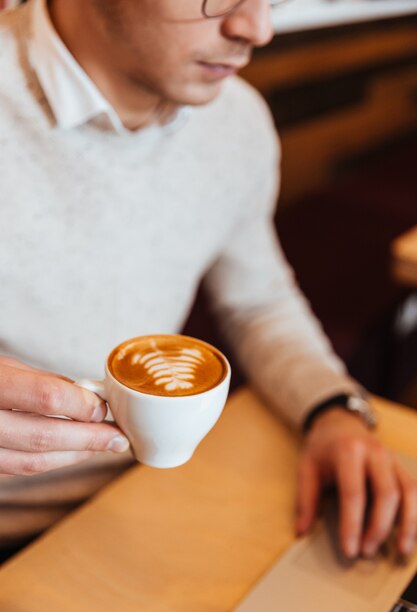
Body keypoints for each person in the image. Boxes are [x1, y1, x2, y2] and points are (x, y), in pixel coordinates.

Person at [0, 0, 416, 560]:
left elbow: (259, 302)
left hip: (146, 498)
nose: (256, 28)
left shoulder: (236, 119)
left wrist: (333, 410)